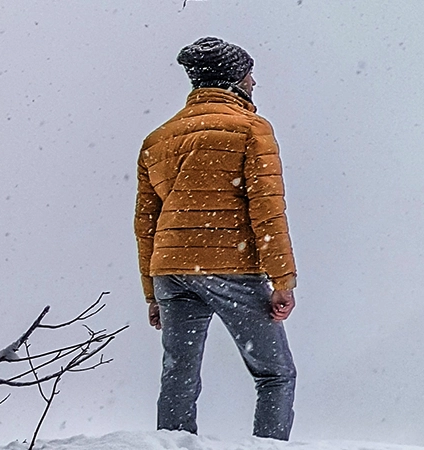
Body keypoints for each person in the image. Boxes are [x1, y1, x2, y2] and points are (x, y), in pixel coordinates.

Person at [135, 36, 299, 440]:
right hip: (231, 265)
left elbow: (146, 224)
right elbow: (267, 209)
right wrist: (283, 281)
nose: (254, 82)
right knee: (275, 374)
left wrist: (152, 293)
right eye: (249, 74)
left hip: (171, 270)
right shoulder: (250, 129)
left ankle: (171, 445)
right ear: (233, 80)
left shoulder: (157, 139)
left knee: (179, 375)